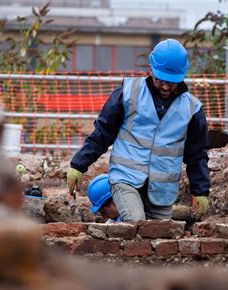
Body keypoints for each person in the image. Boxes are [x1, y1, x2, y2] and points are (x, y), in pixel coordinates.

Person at [67, 38, 210, 224]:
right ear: (151, 70)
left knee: (160, 237)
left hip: (162, 189)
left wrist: (201, 191)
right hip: (125, 178)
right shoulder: (128, 93)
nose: (166, 86)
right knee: (136, 224)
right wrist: (78, 164)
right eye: (161, 80)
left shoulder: (192, 108)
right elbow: (102, 133)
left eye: (172, 82)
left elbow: (197, 154)